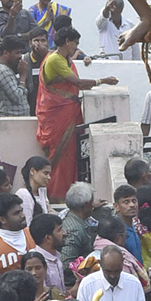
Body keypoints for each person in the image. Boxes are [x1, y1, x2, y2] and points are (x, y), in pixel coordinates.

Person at [37, 26, 118, 202]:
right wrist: (103, 80)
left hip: (67, 111)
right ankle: (55, 195)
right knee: (60, 155)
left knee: (71, 154)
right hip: (57, 114)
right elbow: (78, 83)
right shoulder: (55, 60)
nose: (76, 47)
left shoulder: (64, 59)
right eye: (75, 43)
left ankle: (69, 193)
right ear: (67, 42)